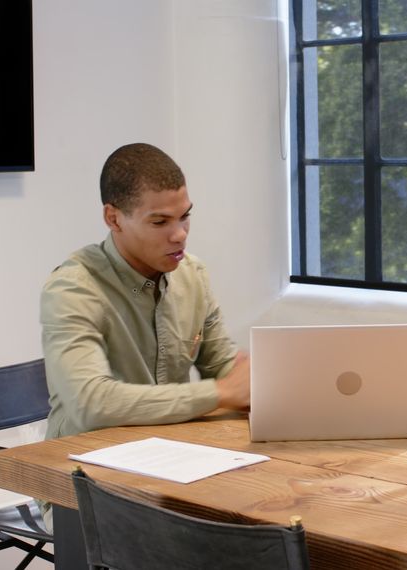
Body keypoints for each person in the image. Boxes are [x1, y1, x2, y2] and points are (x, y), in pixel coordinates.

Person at [38, 143, 250, 528]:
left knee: (275, 528)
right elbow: (91, 403)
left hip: (176, 467)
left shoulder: (193, 275)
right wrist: (219, 394)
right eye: (160, 222)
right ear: (114, 218)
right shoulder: (73, 287)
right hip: (85, 486)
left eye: (185, 217)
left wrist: (267, 382)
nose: (180, 234)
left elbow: (225, 367)